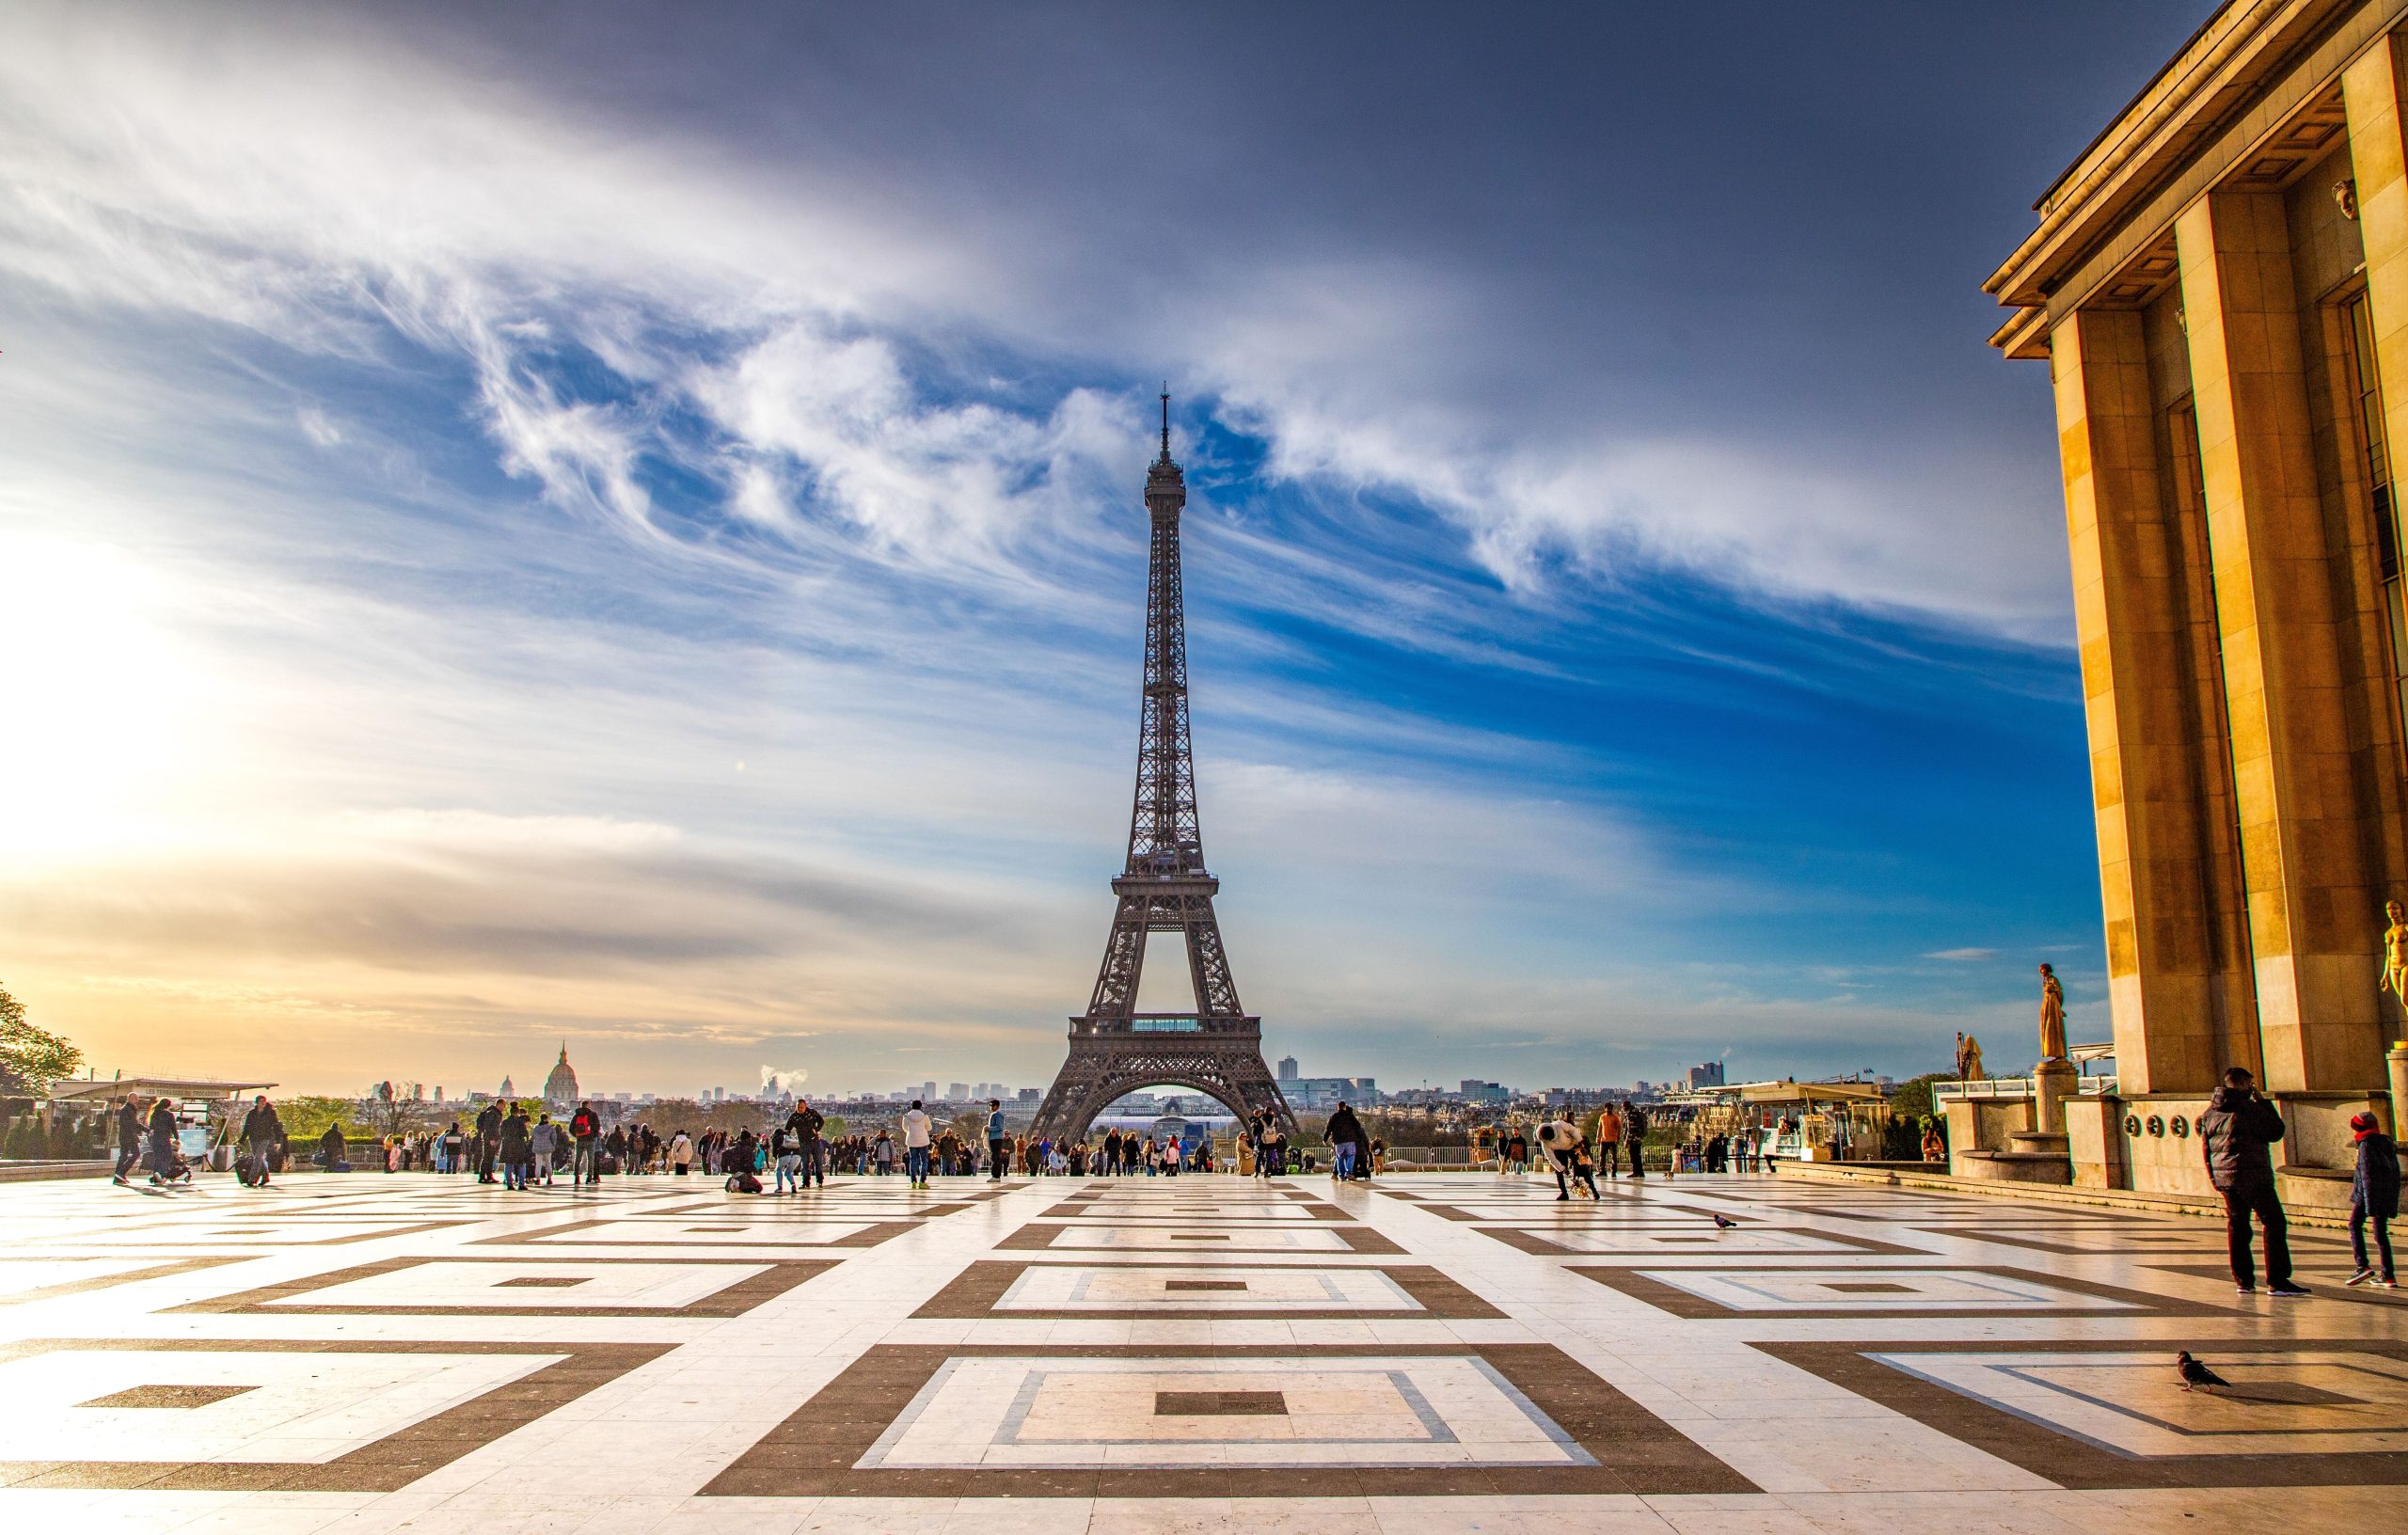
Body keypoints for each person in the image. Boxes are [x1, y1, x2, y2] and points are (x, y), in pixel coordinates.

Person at [2197, 1066, 2305, 1296]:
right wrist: (2264, 1102)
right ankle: (2277, 1280)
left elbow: (2206, 1147)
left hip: (2225, 1177)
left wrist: (2214, 1177)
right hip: (2253, 1175)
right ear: (2246, 1084)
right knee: (2274, 1223)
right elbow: (2276, 1131)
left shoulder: (2210, 1112)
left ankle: (2243, 1281)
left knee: (2238, 1227)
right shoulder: (2248, 1109)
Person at [2348, 1111, 2400, 1289]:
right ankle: (2388, 1275)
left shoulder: (2366, 1145)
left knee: (2354, 1224)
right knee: (2381, 1233)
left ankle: (2362, 1265)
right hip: (2384, 1194)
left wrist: (2369, 1204)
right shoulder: (2386, 1143)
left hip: (2367, 1195)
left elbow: (2367, 1175)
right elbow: (2395, 1174)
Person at [240, 1095, 283, 1187]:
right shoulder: (252, 1113)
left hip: (265, 1138)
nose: (263, 1103)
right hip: (253, 1138)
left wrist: (278, 1140)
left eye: (264, 1101)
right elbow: (247, 1127)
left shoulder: (271, 1113)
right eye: (261, 1101)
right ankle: (265, 1177)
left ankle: (252, 1178)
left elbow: (276, 1126)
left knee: (258, 1157)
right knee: (258, 1158)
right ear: (257, 1102)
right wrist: (241, 1140)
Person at [1326, 1100, 1365, 1181]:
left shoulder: (1334, 1116)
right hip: (1350, 1139)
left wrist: (1325, 1138)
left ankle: (1341, 1176)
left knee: (1340, 1158)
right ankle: (1349, 1173)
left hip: (1338, 1141)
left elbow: (1328, 1128)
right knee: (1351, 1156)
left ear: (1338, 1107)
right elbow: (1357, 1125)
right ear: (1345, 1106)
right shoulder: (1350, 1116)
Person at [147, 1097, 181, 1183]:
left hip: (155, 1139)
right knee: (167, 1157)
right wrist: (177, 1138)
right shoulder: (169, 1114)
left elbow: (151, 1127)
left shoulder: (154, 1113)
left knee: (157, 1158)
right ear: (168, 1106)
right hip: (165, 1138)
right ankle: (160, 1173)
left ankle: (156, 1175)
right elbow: (173, 1127)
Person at [113, 1095, 145, 1184]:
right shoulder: (126, 1109)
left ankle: (118, 1177)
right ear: (130, 1098)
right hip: (128, 1136)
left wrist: (146, 1129)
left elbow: (135, 1123)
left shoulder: (130, 1109)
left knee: (123, 1156)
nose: (137, 1100)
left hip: (126, 1136)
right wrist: (137, 1127)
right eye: (135, 1098)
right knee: (136, 1154)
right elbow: (130, 1124)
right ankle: (121, 1173)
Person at [900, 1100, 932, 1189]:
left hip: (912, 1140)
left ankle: (913, 1181)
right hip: (923, 1141)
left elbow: (905, 1128)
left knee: (913, 1161)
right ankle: (922, 1181)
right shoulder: (924, 1116)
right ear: (920, 1106)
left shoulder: (907, 1116)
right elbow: (929, 1128)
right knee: (924, 1161)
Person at [570, 1100, 602, 1185]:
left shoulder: (576, 1115)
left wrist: (577, 1135)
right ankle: (589, 1177)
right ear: (588, 1106)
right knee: (590, 1159)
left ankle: (576, 1177)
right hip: (590, 1140)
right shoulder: (593, 1115)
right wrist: (593, 1135)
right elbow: (597, 1127)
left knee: (578, 1159)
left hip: (580, 1139)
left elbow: (571, 1128)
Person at [473, 1100, 502, 1183]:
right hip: (489, 1138)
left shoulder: (493, 1112)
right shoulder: (493, 1113)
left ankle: (488, 1176)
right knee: (487, 1158)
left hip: (490, 1138)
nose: (504, 1108)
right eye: (503, 1106)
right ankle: (483, 1176)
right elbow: (489, 1127)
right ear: (499, 1105)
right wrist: (491, 1139)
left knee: (489, 1158)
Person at [1594, 1102, 1624, 1179]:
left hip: (1613, 1140)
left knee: (1614, 1157)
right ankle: (1602, 1171)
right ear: (1605, 1109)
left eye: (1610, 1108)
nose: (1609, 1110)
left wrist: (1618, 1138)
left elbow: (1619, 1128)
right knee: (1602, 1156)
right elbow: (1600, 1127)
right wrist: (1598, 1137)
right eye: (1607, 1108)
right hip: (1603, 1140)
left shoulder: (1615, 1117)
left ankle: (1613, 1171)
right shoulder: (1602, 1117)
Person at [1624, 1100, 1650, 1179]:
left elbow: (1630, 1129)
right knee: (1637, 1156)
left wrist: (1626, 1141)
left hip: (1633, 1139)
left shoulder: (1631, 1114)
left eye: (1623, 1107)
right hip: (1639, 1138)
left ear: (1626, 1106)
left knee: (1634, 1156)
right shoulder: (1637, 1112)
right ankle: (1640, 1172)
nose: (1623, 1108)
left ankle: (1636, 1172)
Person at [531, 1114, 559, 1186]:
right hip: (548, 1147)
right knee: (548, 1163)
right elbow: (554, 1138)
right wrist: (553, 1145)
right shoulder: (551, 1128)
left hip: (538, 1148)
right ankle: (549, 1179)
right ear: (547, 1119)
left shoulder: (535, 1128)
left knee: (538, 1164)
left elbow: (533, 1137)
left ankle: (538, 1179)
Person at [986, 1099, 1007, 1180]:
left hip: (996, 1138)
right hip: (994, 1138)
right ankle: (995, 1175)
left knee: (996, 1157)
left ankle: (996, 1175)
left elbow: (1000, 1127)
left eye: (991, 1105)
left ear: (996, 1106)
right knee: (995, 1156)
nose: (990, 1107)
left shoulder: (998, 1115)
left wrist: (989, 1129)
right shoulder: (994, 1114)